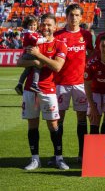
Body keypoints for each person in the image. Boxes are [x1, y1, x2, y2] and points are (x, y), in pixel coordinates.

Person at [17, 13, 68, 170]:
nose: (46, 27)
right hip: (29, 89)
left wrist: (38, 56)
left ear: (54, 27)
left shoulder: (60, 45)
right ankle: (35, 159)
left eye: (49, 25)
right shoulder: (34, 41)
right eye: (43, 24)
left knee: (53, 125)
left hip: (48, 89)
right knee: (33, 125)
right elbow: (20, 62)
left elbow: (57, 66)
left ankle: (59, 158)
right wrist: (34, 61)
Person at [53, 3, 93, 164]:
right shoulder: (58, 35)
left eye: (77, 15)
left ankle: (82, 154)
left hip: (80, 84)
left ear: (81, 17)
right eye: (71, 15)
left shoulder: (86, 35)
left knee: (81, 118)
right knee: (58, 119)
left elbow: (92, 54)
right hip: (61, 83)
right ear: (67, 16)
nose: (74, 18)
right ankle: (58, 155)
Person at [15, 15, 48, 95]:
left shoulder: (32, 33)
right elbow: (36, 41)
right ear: (27, 25)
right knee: (37, 66)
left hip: (28, 53)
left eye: (34, 25)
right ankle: (34, 84)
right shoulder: (29, 34)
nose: (33, 26)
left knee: (27, 70)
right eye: (31, 25)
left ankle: (19, 84)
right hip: (29, 53)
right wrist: (45, 39)